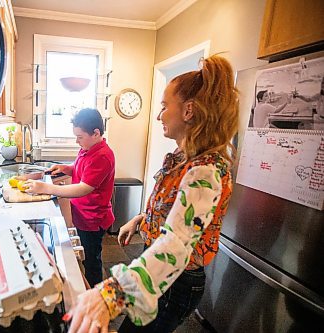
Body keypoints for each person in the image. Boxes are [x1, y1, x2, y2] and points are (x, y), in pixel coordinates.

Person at [63, 55, 239, 333]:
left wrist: (110, 296)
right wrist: (142, 219)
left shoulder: (206, 172)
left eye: (164, 106)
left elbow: (176, 246)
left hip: (176, 280)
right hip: (159, 269)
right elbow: (179, 212)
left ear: (189, 111)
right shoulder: (184, 158)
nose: (159, 115)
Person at [25, 108, 115, 288]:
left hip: (93, 219)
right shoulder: (88, 148)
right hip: (83, 215)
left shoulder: (103, 156)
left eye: (80, 136)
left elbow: (84, 188)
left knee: (92, 261)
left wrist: (46, 187)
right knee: (87, 257)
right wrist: (67, 168)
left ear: (96, 133)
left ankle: (96, 295)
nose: (77, 140)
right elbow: (81, 168)